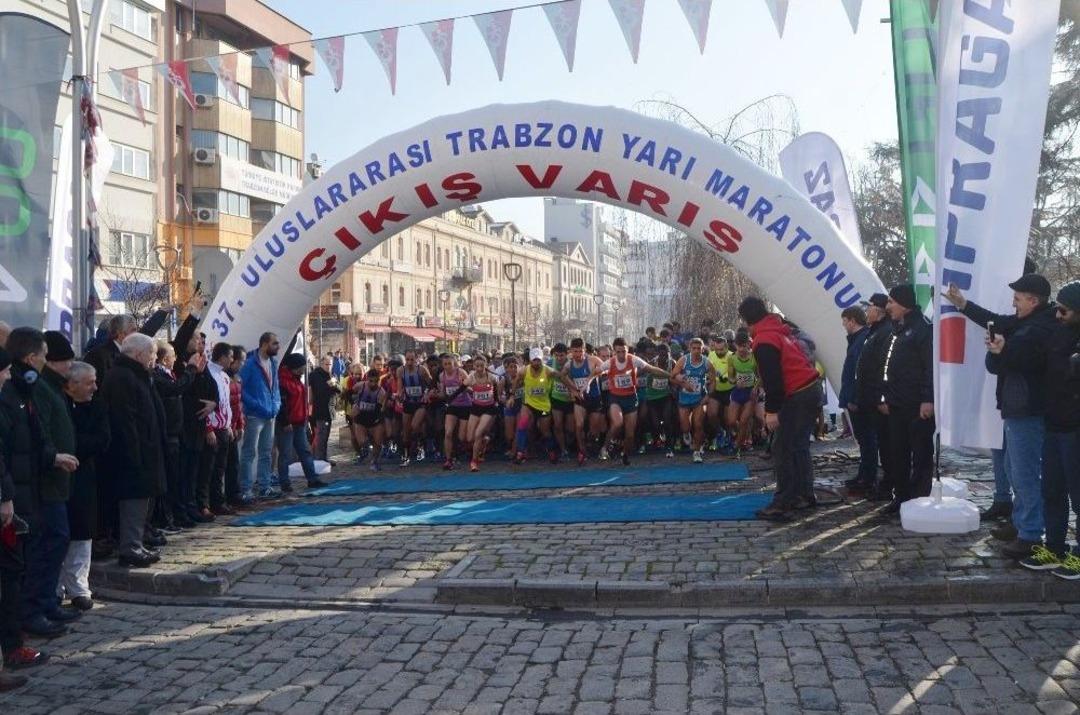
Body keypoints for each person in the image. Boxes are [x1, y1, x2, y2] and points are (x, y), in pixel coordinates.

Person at [944, 274, 1057, 558]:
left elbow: (1031, 361)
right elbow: (995, 321)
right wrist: (964, 304)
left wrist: (1003, 350)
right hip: (1017, 407)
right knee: (1013, 469)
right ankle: (1021, 524)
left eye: (1018, 298)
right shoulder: (1025, 322)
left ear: (1033, 300)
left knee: (1025, 473)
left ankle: (1031, 534)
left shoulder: (1042, 326)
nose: (1013, 303)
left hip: (1029, 409)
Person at [0, 338, 71, 671]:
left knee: (19, 566)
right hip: (19, 493)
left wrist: (52, 456)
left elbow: (35, 436)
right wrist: (6, 496)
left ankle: (18, 637)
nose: (4, 377)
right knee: (17, 569)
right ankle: (17, 638)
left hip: (26, 489)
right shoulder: (13, 394)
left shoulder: (21, 392)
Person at [737, 297, 821, 521]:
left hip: (798, 394)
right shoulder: (778, 329)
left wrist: (772, 411)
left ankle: (783, 501)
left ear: (746, 321)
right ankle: (804, 494)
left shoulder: (764, 340)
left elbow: (774, 381)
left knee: (781, 447)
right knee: (799, 446)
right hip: (810, 388)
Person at [21, 332, 81, 631]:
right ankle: (35, 609)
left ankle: (46, 603)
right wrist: (54, 457)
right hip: (45, 482)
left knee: (56, 541)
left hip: (56, 479)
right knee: (49, 542)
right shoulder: (41, 389)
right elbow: (38, 433)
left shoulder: (52, 387)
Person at [100, 333, 166, 569]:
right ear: (139, 354)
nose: (154, 358)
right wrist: (135, 455)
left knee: (142, 502)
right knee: (133, 502)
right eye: (152, 353)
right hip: (132, 456)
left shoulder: (136, 375)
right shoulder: (122, 377)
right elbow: (124, 422)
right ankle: (131, 547)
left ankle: (136, 542)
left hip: (144, 451)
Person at [1034, 281, 1080, 578]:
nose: (1058, 314)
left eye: (1064, 310)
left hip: (1076, 427)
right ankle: (1053, 547)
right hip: (1053, 423)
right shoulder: (1057, 332)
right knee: (1051, 489)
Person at [879, 285, 935, 516]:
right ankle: (901, 497)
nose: (888, 306)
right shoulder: (897, 330)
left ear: (903, 304)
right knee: (898, 452)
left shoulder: (923, 329)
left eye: (891, 301)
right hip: (897, 404)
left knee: (920, 453)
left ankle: (919, 500)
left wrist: (928, 399)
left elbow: (929, 367)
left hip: (917, 405)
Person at [57, 361, 107, 612]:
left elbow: (102, 439)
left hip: (85, 475)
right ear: (72, 384)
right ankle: (56, 588)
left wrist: (76, 444)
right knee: (58, 534)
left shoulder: (97, 406)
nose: (94, 387)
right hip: (58, 478)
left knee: (82, 533)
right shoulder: (60, 403)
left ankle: (78, 587)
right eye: (89, 383)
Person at [590, 338, 671, 466]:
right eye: (618, 352)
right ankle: (604, 448)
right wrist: (585, 385)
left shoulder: (633, 359)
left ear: (627, 350)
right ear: (614, 352)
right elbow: (594, 372)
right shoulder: (610, 363)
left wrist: (670, 375)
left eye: (624, 351)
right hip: (615, 398)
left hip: (631, 398)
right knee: (617, 423)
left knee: (630, 434)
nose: (622, 355)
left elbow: (651, 369)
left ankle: (625, 454)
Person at [852, 294, 893, 500]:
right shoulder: (874, 332)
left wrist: (880, 397)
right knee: (875, 441)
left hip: (878, 400)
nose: (866, 312)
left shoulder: (885, 332)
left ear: (879, 311)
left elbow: (883, 369)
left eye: (869, 309)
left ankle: (886, 484)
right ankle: (877, 481)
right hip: (869, 398)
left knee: (884, 444)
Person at [511, 348, 579, 465]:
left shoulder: (548, 371)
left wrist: (573, 389)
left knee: (545, 431)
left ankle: (552, 452)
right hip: (528, 404)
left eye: (538, 360)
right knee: (522, 425)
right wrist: (512, 396)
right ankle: (520, 453)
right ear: (530, 361)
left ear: (541, 360)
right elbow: (516, 381)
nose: (536, 363)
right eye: (534, 360)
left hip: (543, 407)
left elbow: (562, 377)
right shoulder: (524, 371)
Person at [239, 333, 281, 501]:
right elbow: (240, 387)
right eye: (274, 343)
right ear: (264, 344)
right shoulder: (249, 364)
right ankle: (246, 489)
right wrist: (255, 405)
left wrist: (276, 405)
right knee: (249, 452)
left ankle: (265, 486)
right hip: (255, 415)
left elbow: (275, 387)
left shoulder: (273, 363)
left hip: (270, 414)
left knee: (266, 452)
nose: (277, 346)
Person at [276, 353, 326, 492]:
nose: (304, 370)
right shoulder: (283, 382)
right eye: (302, 367)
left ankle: (312, 479)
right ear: (295, 367)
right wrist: (285, 421)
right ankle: (285, 483)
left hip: (299, 422)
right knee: (285, 454)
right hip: (287, 424)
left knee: (305, 451)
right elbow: (282, 404)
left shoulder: (297, 380)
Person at [838, 306, 872, 492]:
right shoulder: (857, 340)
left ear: (852, 320)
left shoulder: (861, 341)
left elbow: (860, 373)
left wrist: (854, 398)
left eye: (844, 321)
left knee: (867, 440)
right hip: (854, 397)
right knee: (863, 440)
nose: (843, 325)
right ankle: (863, 474)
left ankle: (868, 478)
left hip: (858, 400)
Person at [202, 343, 236, 513]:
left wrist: (229, 425)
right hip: (212, 428)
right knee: (208, 469)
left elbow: (226, 403)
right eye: (230, 356)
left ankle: (218, 502)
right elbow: (205, 402)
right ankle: (204, 504)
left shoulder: (224, 376)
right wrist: (208, 428)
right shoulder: (207, 372)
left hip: (224, 427)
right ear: (222, 356)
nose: (232, 360)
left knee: (220, 467)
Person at [670, 337, 716, 463]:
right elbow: (672, 377)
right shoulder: (683, 360)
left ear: (703, 349)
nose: (696, 351)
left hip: (699, 399)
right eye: (694, 348)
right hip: (684, 398)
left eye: (698, 348)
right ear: (690, 349)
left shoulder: (707, 363)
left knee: (698, 425)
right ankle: (686, 433)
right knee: (685, 426)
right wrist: (684, 385)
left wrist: (708, 396)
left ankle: (696, 452)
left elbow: (713, 382)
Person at [564, 338, 604, 466]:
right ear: (571, 351)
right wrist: (573, 389)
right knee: (579, 425)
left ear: (585, 350)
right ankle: (582, 451)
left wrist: (594, 376)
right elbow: (561, 376)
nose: (578, 355)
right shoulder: (569, 364)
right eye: (575, 351)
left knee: (593, 430)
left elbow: (605, 367)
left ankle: (589, 442)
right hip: (580, 400)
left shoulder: (592, 360)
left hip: (594, 398)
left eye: (580, 351)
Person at [464, 355, 501, 472]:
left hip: (488, 409)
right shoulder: (471, 377)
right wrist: (450, 399)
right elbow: (461, 388)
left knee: (478, 434)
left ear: (485, 365)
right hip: (476, 408)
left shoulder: (491, 377)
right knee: (470, 438)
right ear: (474, 366)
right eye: (477, 366)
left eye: (481, 366)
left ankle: (474, 462)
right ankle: (485, 441)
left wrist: (496, 402)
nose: (479, 368)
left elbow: (495, 392)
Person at [396, 350, 431, 466]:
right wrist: (399, 396)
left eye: (412, 359)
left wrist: (427, 393)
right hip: (408, 403)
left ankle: (420, 446)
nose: (410, 362)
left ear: (416, 359)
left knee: (415, 426)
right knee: (406, 432)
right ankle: (406, 456)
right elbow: (400, 389)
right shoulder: (401, 371)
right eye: (408, 360)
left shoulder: (421, 370)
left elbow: (431, 384)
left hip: (420, 403)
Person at [726, 332, 760, 453]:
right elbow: (730, 377)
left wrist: (756, 387)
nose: (741, 349)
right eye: (738, 346)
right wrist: (735, 381)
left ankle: (737, 446)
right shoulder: (732, 358)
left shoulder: (754, 357)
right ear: (735, 345)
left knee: (744, 421)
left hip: (750, 393)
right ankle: (741, 437)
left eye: (744, 346)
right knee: (731, 421)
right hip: (737, 391)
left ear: (748, 345)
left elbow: (760, 376)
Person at [439, 354, 473, 469]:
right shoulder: (442, 376)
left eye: (450, 364)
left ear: (454, 364)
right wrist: (434, 394)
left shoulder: (461, 373)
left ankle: (459, 453)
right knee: (448, 432)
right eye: (445, 364)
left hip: (465, 406)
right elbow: (443, 394)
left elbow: (471, 388)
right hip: (452, 406)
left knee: (461, 437)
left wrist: (463, 387)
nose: (448, 366)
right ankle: (448, 459)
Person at [351, 369, 388, 470]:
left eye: (375, 381)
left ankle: (374, 461)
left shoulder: (381, 392)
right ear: (367, 379)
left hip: (375, 419)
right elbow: (349, 393)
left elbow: (382, 411)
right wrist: (354, 406)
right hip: (361, 419)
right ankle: (364, 451)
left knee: (378, 441)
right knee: (362, 441)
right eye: (371, 381)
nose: (373, 384)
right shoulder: (360, 386)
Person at [308, 355, 339, 463]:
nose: (328, 367)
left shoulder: (332, 375)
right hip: (319, 409)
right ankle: (319, 459)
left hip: (329, 410)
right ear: (321, 364)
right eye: (327, 364)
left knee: (326, 436)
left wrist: (332, 382)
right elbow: (313, 391)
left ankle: (323, 458)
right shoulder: (314, 375)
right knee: (321, 435)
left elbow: (338, 389)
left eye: (330, 364)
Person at [706, 335, 734, 452]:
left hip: (729, 390)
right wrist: (708, 378)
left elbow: (733, 374)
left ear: (726, 347)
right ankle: (719, 432)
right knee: (711, 414)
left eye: (721, 349)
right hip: (716, 389)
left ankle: (729, 437)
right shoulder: (711, 355)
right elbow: (708, 370)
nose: (719, 352)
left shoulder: (732, 356)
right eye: (717, 349)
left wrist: (725, 377)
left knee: (728, 419)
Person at [548, 344, 574, 461]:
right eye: (557, 355)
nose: (559, 358)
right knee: (558, 426)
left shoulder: (571, 363)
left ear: (567, 354)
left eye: (562, 355)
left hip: (570, 400)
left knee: (570, 429)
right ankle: (563, 450)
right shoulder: (550, 363)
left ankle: (569, 446)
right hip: (556, 398)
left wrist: (572, 389)